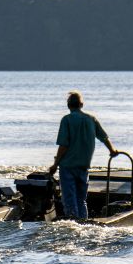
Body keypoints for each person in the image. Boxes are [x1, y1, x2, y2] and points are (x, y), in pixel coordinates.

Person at [48, 91, 118, 220]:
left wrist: (55, 164)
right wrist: (112, 150)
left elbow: (64, 145)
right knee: (81, 200)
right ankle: (83, 222)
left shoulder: (67, 120)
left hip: (67, 166)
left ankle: (72, 223)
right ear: (81, 104)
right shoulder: (91, 119)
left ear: (68, 105)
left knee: (69, 200)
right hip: (84, 166)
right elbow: (104, 137)